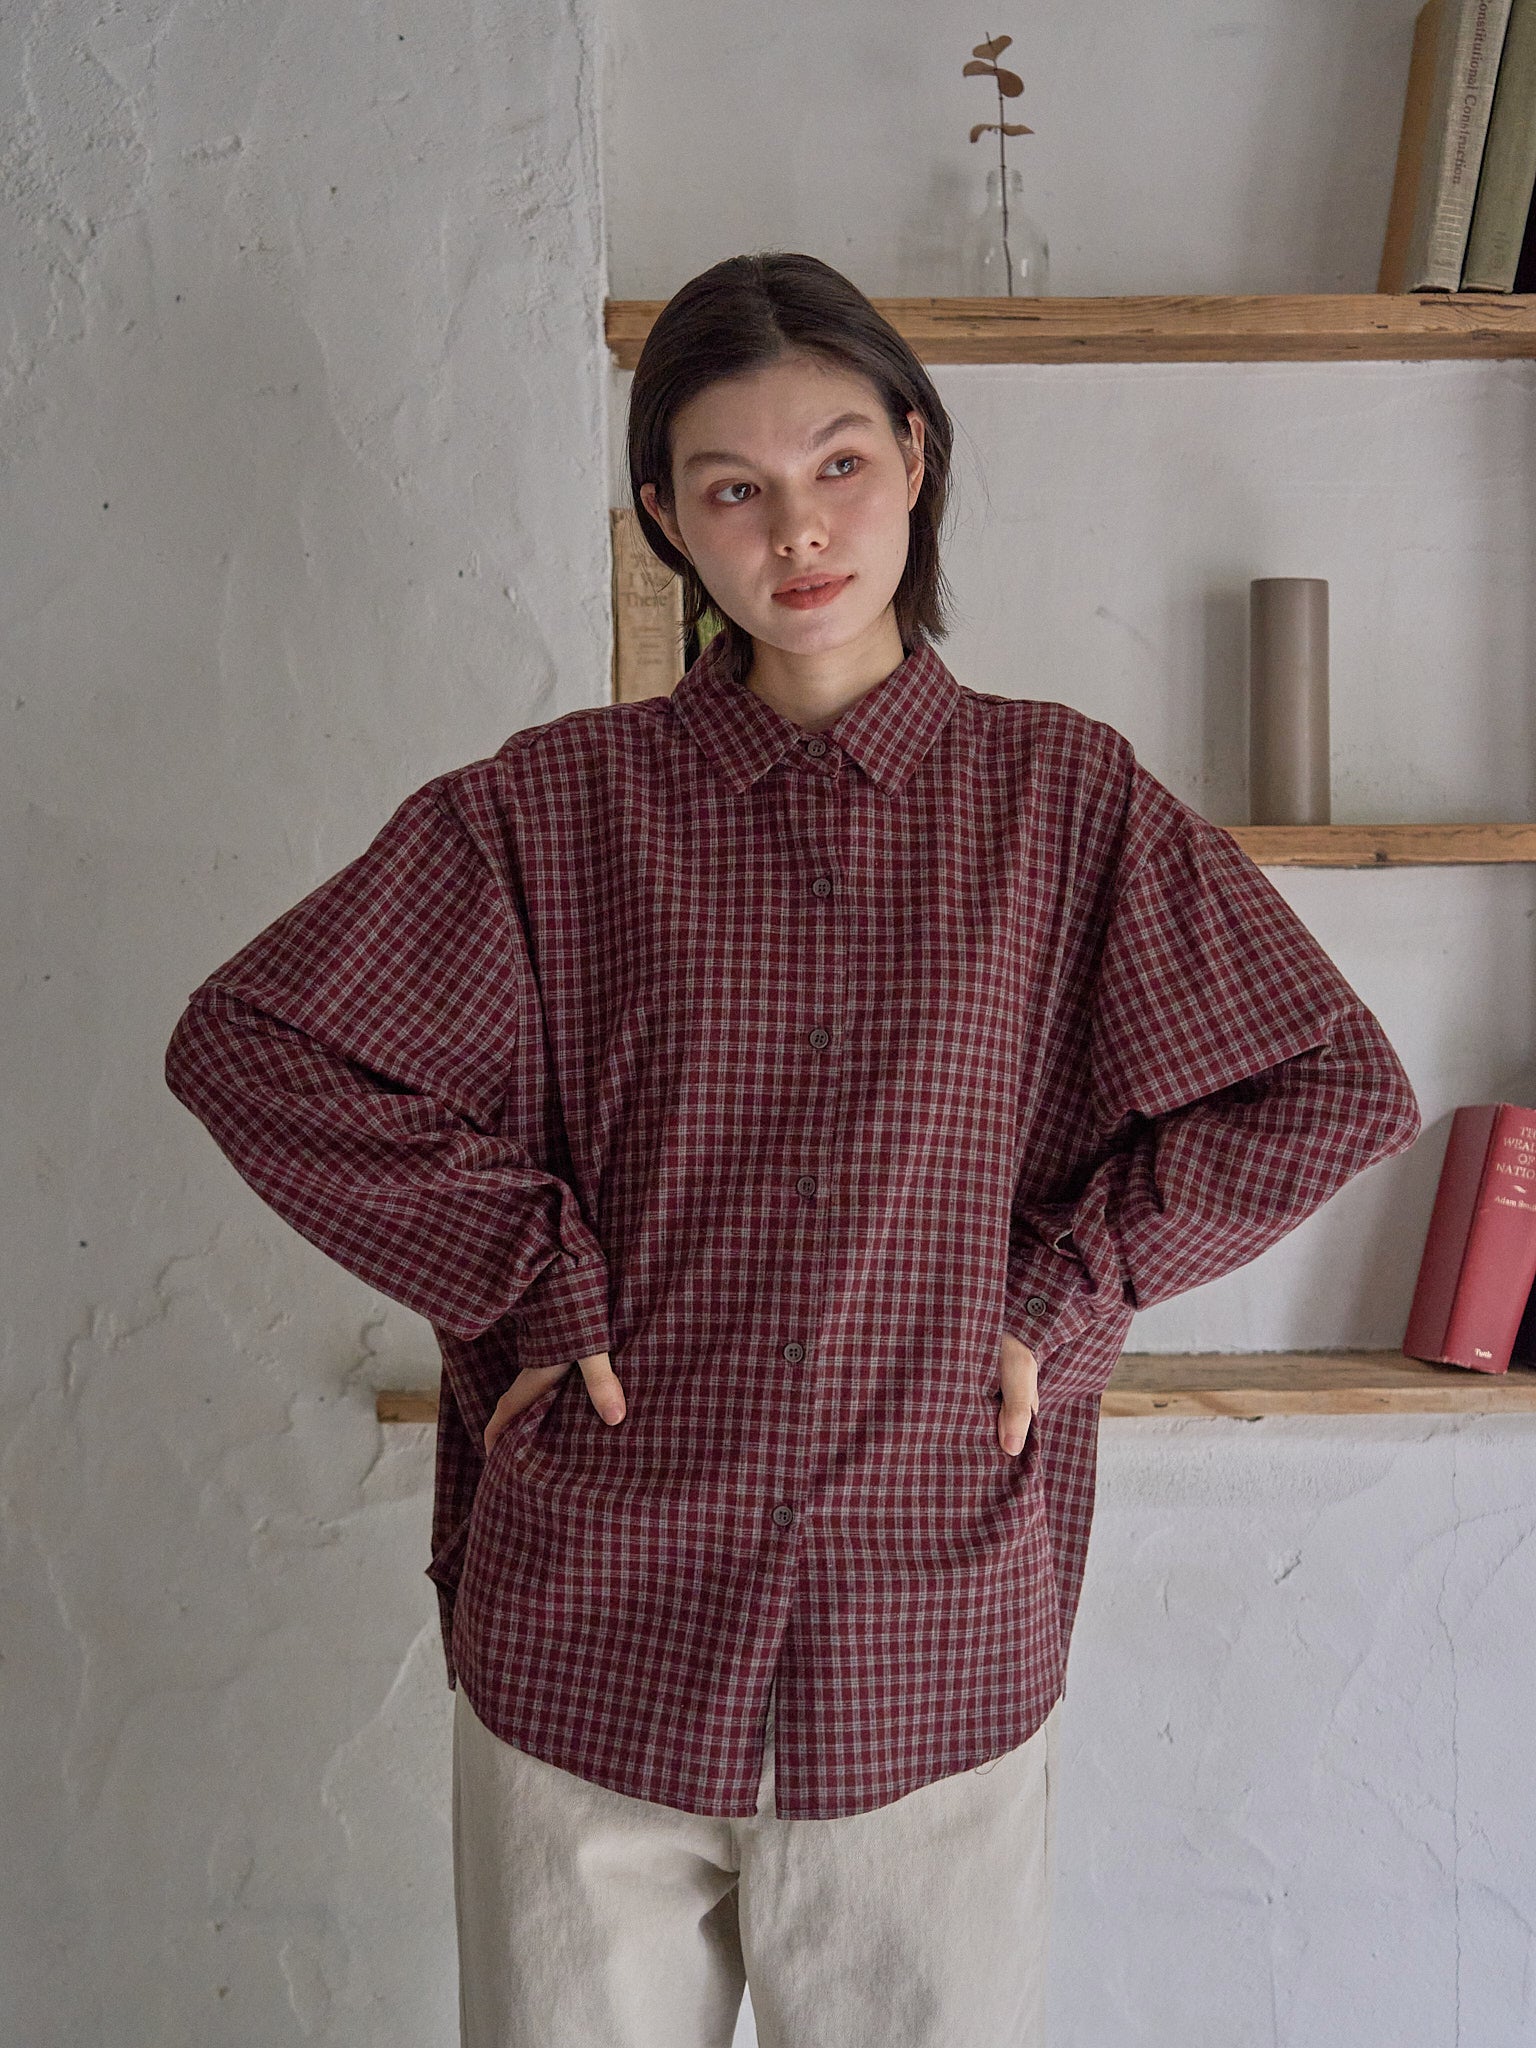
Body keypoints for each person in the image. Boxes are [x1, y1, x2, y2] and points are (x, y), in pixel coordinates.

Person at [163, 250, 1422, 2047]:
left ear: (917, 454)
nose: (799, 530)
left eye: (838, 463)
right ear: (665, 522)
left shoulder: (1063, 801)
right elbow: (255, 1043)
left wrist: (1064, 1295)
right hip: (593, 1641)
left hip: (929, 1643)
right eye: (732, 488)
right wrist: (527, 1277)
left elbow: (1331, 1082)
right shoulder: (552, 810)